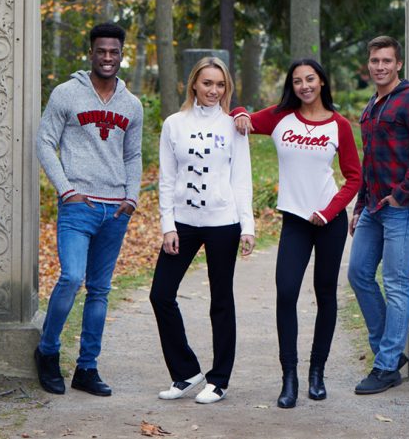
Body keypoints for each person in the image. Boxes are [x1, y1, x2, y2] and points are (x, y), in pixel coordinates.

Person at [233, 59, 361, 408]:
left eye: (310, 79)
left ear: (322, 82)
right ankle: (289, 377)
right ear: (292, 86)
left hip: (328, 222)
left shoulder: (339, 125)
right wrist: (241, 112)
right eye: (297, 81)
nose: (304, 86)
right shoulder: (280, 117)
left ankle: (317, 373)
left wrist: (329, 211)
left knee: (325, 294)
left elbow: (354, 177)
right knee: (286, 292)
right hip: (295, 221)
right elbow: (240, 118)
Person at [34, 22, 143, 397]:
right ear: (91, 53)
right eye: (101, 51)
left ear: (122, 54)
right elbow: (45, 142)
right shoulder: (66, 94)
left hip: (115, 211)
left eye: (114, 52)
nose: (107, 57)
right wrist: (66, 190)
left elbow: (133, 155)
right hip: (78, 206)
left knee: (99, 290)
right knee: (71, 277)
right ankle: (47, 352)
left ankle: (87, 368)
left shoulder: (132, 105)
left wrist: (132, 197)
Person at [149, 57, 255, 405]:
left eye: (220, 85)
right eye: (207, 83)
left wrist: (247, 226)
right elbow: (166, 179)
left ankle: (219, 380)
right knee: (161, 294)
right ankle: (186, 372)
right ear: (193, 83)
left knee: (221, 300)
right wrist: (167, 225)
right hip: (183, 222)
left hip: (223, 222)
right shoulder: (174, 124)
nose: (214, 90)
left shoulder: (233, 126)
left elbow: (242, 179)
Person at [347, 35, 409, 395]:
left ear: (398, 64)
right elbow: (369, 162)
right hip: (373, 207)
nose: (380, 66)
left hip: (403, 207)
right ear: (368, 64)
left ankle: (386, 367)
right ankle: (389, 352)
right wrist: (360, 206)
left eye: (386, 60)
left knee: (396, 283)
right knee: (359, 274)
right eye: (375, 61)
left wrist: (402, 195)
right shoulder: (372, 105)